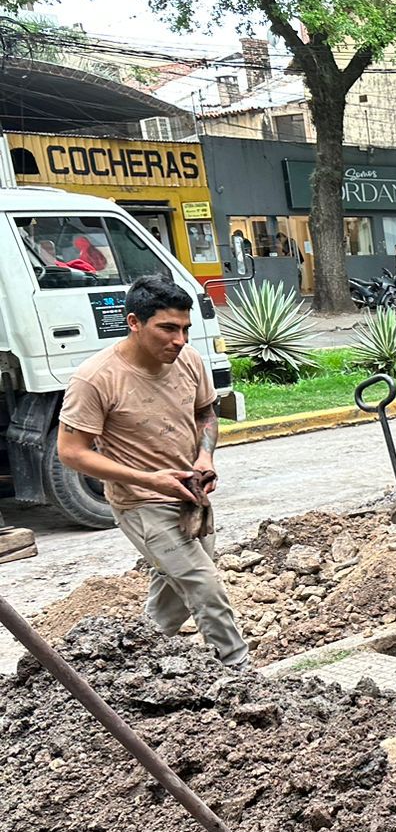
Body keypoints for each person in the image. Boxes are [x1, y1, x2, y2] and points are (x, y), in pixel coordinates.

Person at [56, 276, 250, 669]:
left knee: (173, 599)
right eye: (167, 328)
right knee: (203, 585)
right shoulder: (96, 378)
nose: (179, 340)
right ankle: (240, 672)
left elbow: (205, 413)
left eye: (185, 329)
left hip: (189, 497)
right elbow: (71, 452)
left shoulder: (190, 360)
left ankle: (131, 665)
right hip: (140, 502)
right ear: (134, 322)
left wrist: (205, 456)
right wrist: (150, 479)